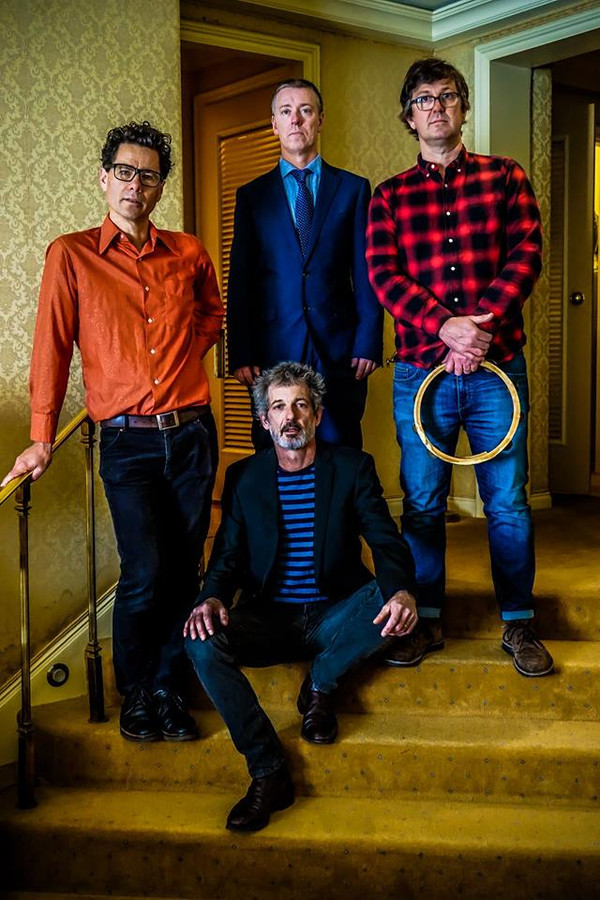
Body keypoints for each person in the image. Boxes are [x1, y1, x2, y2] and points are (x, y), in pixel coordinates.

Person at [1, 121, 224, 741]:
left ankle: (170, 688)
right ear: (104, 178)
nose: (135, 185)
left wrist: (182, 358)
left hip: (191, 434)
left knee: (185, 568)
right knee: (145, 570)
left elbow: (212, 314)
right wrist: (42, 436)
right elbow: (51, 348)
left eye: (148, 176)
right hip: (127, 442)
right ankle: (137, 692)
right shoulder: (70, 255)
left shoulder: (188, 252)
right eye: (124, 172)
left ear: (160, 188)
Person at [366, 58, 554, 678]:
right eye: (424, 99)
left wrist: (479, 328)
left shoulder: (506, 177)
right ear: (409, 116)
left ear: (463, 108)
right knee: (422, 502)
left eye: (447, 96)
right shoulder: (389, 196)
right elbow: (383, 275)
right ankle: (425, 619)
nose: (437, 107)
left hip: (498, 367)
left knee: (508, 502)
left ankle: (518, 622)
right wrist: (445, 326)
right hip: (421, 372)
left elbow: (527, 251)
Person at [184, 362, 417, 832]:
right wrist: (211, 598)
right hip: (270, 619)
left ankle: (321, 681)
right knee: (200, 639)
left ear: (317, 414)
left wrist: (401, 591)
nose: (290, 417)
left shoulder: (352, 467)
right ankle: (269, 770)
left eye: (300, 405)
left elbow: (385, 540)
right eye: (278, 407)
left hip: (337, 612)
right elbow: (227, 556)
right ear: (264, 420)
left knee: (392, 597)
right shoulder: (245, 477)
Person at [227, 78, 382, 450]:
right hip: (272, 347)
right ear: (274, 124)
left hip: (339, 347)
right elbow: (241, 279)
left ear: (320, 119)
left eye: (305, 110)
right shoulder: (252, 196)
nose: (295, 120)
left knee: (341, 448)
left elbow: (366, 272)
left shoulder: (353, 189)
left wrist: (368, 341)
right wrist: (241, 350)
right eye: (286, 112)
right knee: (276, 450)